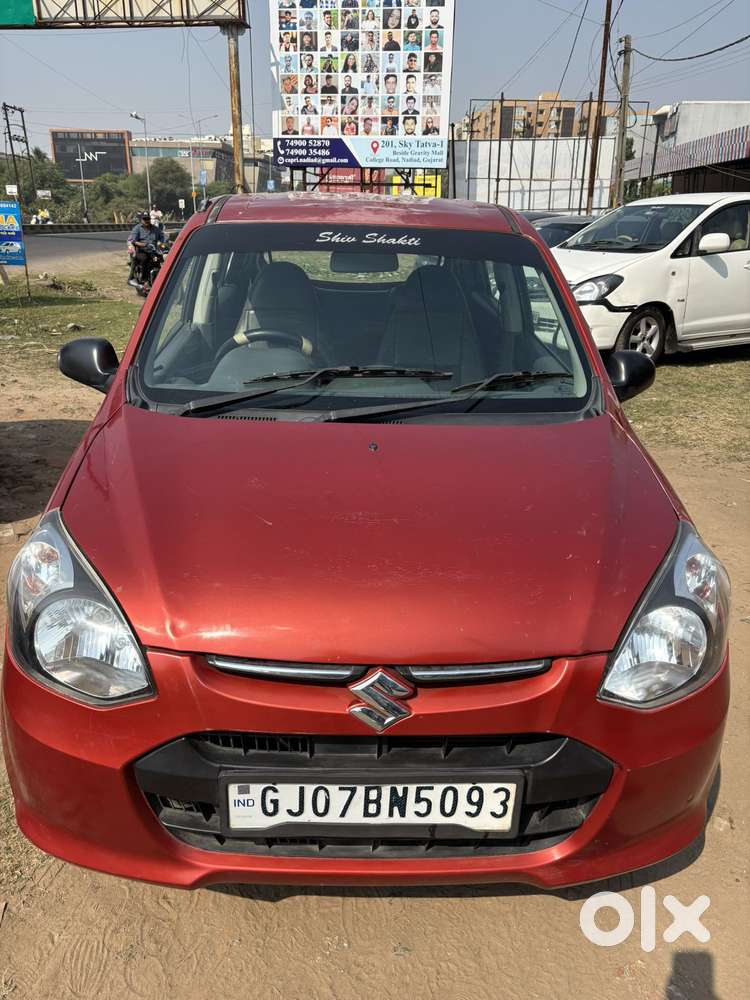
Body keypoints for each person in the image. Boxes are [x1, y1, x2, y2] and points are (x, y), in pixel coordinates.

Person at [128, 211, 163, 286]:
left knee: (160, 259)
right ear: (141, 220)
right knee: (144, 259)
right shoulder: (137, 228)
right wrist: (144, 244)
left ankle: (161, 279)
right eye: (145, 219)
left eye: (148, 219)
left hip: (153, 250)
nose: (147, 221)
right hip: (141, 250)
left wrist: (161, 242)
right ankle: (144, 280)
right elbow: (133, 241)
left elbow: (162, 237)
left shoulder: (156, 229)